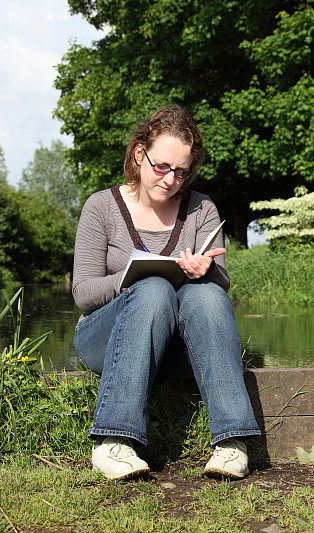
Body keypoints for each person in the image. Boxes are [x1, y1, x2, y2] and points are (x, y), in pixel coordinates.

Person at [71, 104, 261, 481]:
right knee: (153, 287)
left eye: (181, 171)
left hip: (180, 346)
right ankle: (113, 441)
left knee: (206, 294)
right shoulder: (101, 207)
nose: (170, 179)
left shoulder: (202, 208)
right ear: (139, 155)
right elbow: (83, 292)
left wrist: (205, 273)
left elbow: (221, 286)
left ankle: (233, 442)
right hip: (106, 339)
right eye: (161, 167)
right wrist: (127, 280)